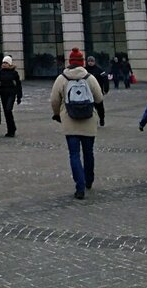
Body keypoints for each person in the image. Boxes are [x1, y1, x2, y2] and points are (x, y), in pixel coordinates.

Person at [51, 48, 105, 200]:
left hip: (70, 120)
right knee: (88, 153)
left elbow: (54, 100)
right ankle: (89, 180)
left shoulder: (62, 78)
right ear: (82, 62)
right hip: (88, 119)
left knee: (74, 154)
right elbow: (99, 98)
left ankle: (79, 187)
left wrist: (57, 113)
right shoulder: (89, 77)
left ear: (70, 62)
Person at [0, 56, 23, 137]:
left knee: (8, 109)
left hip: (11, 93)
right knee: (6, 113)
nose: (4, 64)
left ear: (9, 64)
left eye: (6, 63)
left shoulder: (14, 73)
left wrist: (19, 96)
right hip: (3, 94)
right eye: (3, 62)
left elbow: (18, 85)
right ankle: (10, 129)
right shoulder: (0, 72)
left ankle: (12, 128)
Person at [85, 56, 109, 126]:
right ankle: (93, 121)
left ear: (94, 62)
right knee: (90, 107)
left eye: (92, 61)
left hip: (98, 91)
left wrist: (106, 89)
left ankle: (102, 118)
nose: (90, 62)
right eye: (89, 61)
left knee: (100, 107)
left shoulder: (99, 70)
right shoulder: (85, 70)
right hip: (88, 92)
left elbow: (105, 79)